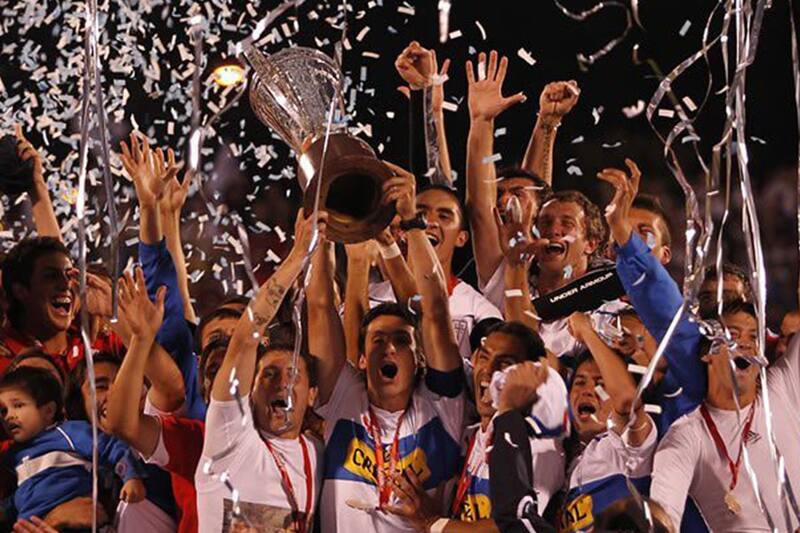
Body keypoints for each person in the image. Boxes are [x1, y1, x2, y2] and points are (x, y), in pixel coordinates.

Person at [316, 162, 465, 532]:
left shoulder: (442, 405)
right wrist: (317, 232)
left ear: (419, 360)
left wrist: (413, 222)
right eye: (378, 340)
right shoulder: (343, 396)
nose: (390, 348)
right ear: (362, 358)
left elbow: (435, 309)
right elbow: (319, 306)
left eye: (402, 340)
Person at [651, 299, 800, 532]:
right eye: (733, 335)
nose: (747, 345)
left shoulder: (783, 387)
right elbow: (664, 516)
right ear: (706, 353)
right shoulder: (687, 437)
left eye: (754, 337)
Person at [434, 321, 568, 531]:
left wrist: (433, 524)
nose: (488, 370)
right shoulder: (470, 433)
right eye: (484, 357)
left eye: (505, 363)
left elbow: (514, 526)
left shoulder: (538, 446)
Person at [464, 49, 579, 292]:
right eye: (499, 194)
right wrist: (482, 122)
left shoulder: (571, 266)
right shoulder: (499, 265)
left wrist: (548, 122)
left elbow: (539, 190)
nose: (505, 200)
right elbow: (479, 208)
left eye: (516, 193)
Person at [0, 366, 145, 523]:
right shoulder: (11, 456)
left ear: (48, 411)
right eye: (3, 411)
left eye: (18, 405)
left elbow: (111, 448)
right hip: (32, 526)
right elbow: (19, 495)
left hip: (80, 523)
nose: (9, 416)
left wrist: (131, 476)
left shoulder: (70, 432)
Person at [558, 313, 656, 533]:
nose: (588, 390)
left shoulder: (624, 449)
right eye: (580, 382)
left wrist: (587, 333)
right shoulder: (563, 458)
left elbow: (626, 400)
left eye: (601, 384)